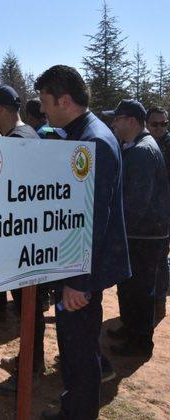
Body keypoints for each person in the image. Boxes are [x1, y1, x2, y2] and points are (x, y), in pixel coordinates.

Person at [35, 64, 131, 420]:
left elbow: (94, 219)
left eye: (46, 102)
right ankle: (73, 407)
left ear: (65, 100)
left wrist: (78, 281)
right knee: (74, 348)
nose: (42, 109)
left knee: (79, 350)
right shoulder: (81, 135)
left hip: (82, 272)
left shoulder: (92, 142)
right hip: (76, 266)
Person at [0, 85, 47, 392]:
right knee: (28, 308)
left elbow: (15, 193)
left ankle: (30, 370)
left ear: (2, 110)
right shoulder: (29, 134)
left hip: (22, 240)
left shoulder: (17, 142)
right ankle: (31, 361)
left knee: (28, 308)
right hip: (27, 238)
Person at [102, 99, 170, 358]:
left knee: (140, 290)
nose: (113, 124)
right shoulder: (135, 145)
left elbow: (136, 202)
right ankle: (130, 328)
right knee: (130, 287)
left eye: (117, 119)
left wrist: (117, 233)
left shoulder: (142, 150)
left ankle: (140, 343)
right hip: (141, 232)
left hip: (144, 235)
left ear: (130, 121)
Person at [146, 106, 170, 320]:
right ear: (147, 123)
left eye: (164, 123)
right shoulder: (143, 143)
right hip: (149, 213)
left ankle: (159, 304)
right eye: (155, 124)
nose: (160, 128)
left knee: (161, 261)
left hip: (163, 213)